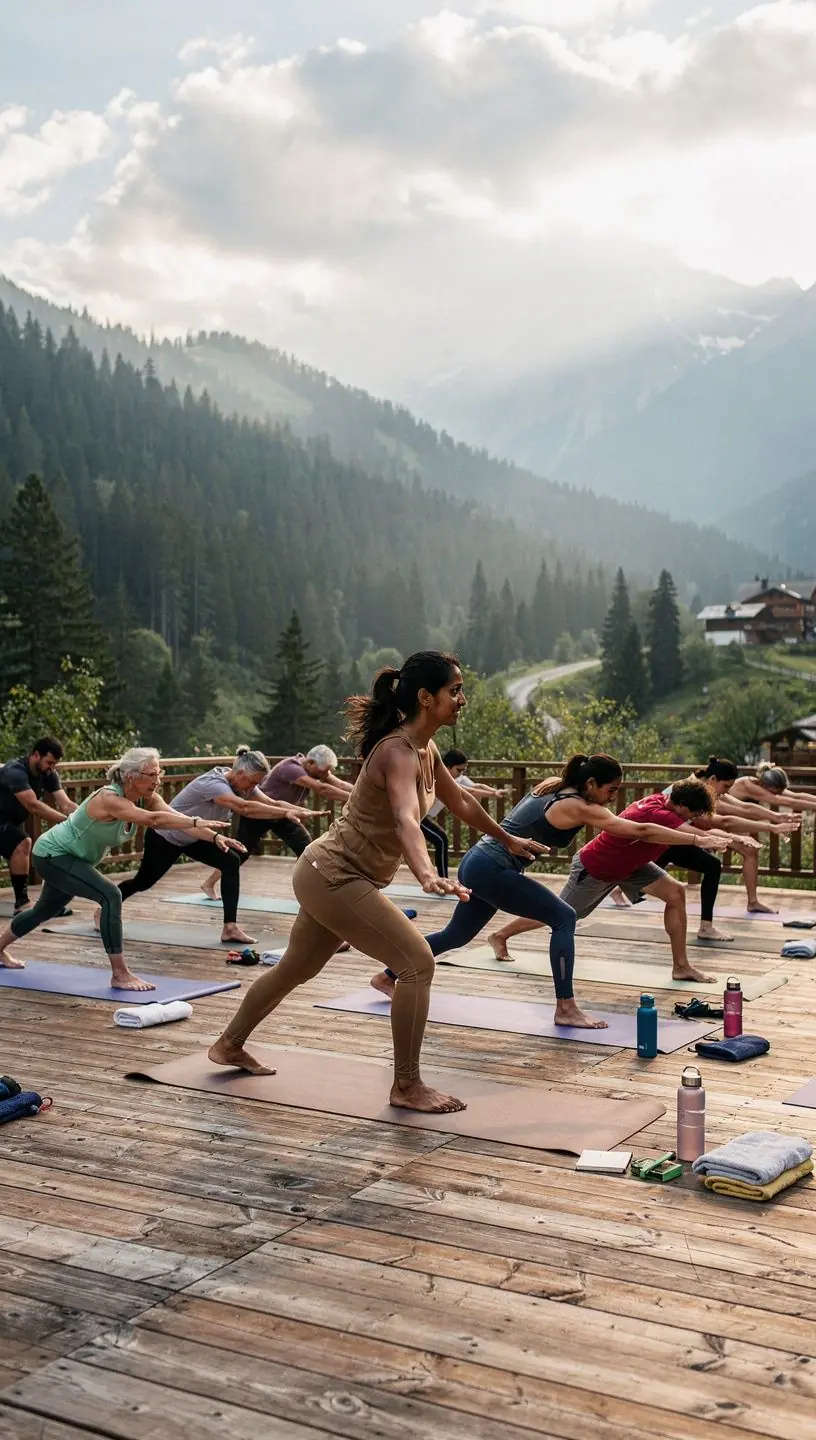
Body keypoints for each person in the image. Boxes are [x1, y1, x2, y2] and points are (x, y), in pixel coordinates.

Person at [208, 652, 547, 1114]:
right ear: (426, 697)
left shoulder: (424, 749)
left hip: (332, 874)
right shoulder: (397, 751)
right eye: (456, 690)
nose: (462, 699)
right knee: (416, 964)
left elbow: (461, 801)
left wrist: (507, 838)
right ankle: (406, 1086)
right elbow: (408, 818)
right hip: (334, 875)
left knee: (295, 969)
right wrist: (427, 873)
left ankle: (228, 1045)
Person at [371, 754, 733, 1016]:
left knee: (457, 936)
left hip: (478, 863)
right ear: (591, 784)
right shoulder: (579, 805)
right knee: (563, 917)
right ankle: (566, 1006)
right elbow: (637, 829)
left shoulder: (555, 786)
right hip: (493, 867)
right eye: (612, 789)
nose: (614, 797)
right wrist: (699, 841)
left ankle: (388, 977)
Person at [0, 748, 234, 988]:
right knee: (111, 895)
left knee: (42, 912)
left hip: (72, 860)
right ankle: (120, 974)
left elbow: (178, 821)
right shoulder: (108, 798)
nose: (158, 779)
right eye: (152, 774)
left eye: (159, 773)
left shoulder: (149, 797)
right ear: (131, 776)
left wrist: (215, 837)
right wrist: (195, 821)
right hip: (53, 855)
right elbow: (154, 821)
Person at [117, 749, 321, 945]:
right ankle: (108, 905)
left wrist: (298, 811)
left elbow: (270, 802)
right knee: (143, 882)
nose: (251, 788)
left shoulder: (242, 782)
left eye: (256, 784)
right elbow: (245, 807)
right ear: (241, 773)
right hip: (167, 836)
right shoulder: (214, 784)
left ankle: (230, 928)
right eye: (251, 783)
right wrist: (284, 814)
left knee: (231, 861)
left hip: (197, 836)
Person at [607, 756, 799, 936]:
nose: (726, 791)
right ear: (713, 779)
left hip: (671, 840)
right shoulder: (694, 793)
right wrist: (769, 827)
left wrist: (775, 818)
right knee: (677, 873)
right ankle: (621, 887)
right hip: (664, 840)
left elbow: (742, 809)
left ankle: (705, 926)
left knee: (706, 867)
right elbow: (722, 823)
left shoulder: (704, 788)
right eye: (725, 786)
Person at [201, 743, 352, 899]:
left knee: (307, 849)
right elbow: (322, 789)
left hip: (283, 814)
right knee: (240, 853)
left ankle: (316, 889)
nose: (326, 774)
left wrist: (360, 793)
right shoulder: (291, 768)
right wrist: (355, 799)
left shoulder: (315, 769)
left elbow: (339, 784)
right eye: (324, 771)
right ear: (311, 763)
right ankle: (209, 883)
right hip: (260, 813)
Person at [724, 762, 816, 913]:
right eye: (775, 792)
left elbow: (795, 795)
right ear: (765, 785)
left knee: (751, 851)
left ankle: (752, 902)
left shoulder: (764, 783)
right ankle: (752, 902)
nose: (777, 794)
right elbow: (787, 801)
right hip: (721, 819)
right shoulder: (749, 785)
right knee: (750, 851)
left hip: (735, 821)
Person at [0, 738, 76, 913]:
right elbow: (33, 805)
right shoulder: (15, 771)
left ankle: (46, 905)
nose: (52, 767)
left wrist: (85, 817)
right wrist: (67, 822)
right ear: (35, 755)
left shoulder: (48, 773)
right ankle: (23, 905)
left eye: (55, 764)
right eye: (49, 762)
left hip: (9, 822)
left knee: (43, 846)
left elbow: (66, 805)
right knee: (23, 843)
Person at [420, 748, 510, 878]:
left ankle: (443, 878)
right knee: (441, 840)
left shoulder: (458, 778)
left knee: (441, 840)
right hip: (417, 816)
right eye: (458, 770)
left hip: (424, 817)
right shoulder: (437, 777)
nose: (460, 774)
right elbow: (468, 791)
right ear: (447, 766)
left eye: (463, 770)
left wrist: (495, 791)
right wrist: (492, 793)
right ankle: (443, 878)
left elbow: (476, 787)